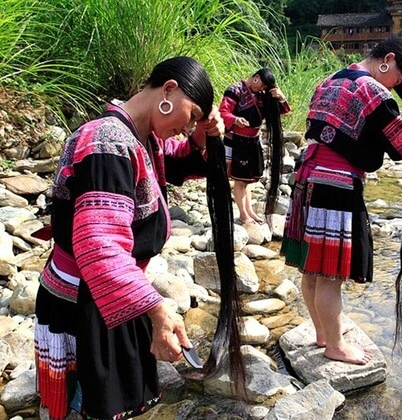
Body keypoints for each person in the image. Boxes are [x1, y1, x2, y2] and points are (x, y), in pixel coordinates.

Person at [34, 56, 229, 419]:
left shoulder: (139, 135)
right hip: (86, 297)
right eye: (191, 116)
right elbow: (100, 247)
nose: (187, 129)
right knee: (91, 406)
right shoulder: (107, 143)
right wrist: (157, 311)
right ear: (169, 90)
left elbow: (179, 160)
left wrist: (202, 134)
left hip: (108, 290)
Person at [280, 37, 402, 364]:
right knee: (330, 275)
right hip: (336, 185)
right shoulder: (373, 92)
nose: (394, 86)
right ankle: (334, 345)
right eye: (398, 79)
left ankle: (323, 333)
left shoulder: (329, 81)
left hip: (307, 176)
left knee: (311, 269)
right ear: (387, 60)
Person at [219, 68, 290, 224]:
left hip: (253, 140)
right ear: (256, 78)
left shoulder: (261, 96)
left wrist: (280, 97)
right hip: (238, 140)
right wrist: (236, 120)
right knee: (240, 180)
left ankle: (249, 211)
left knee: (248, 179)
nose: (261, 89)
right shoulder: (235, 89)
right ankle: (243, 214)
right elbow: (223, 111)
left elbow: (282, 111)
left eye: (265, 88)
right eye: (261, 85)